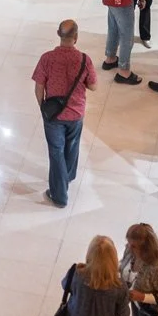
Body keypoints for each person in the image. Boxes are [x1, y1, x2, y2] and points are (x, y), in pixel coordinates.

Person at [33, 20, 96, 209]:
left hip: (54, 115)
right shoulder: (85, 60)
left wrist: (43, 108)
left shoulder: (47, 58)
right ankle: (66, 177)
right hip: (76, 113)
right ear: (76, 37)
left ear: (58, 34)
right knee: (72, 146)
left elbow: (38, 87)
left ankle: (59, 195)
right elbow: (93, 86)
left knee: (56, 151)